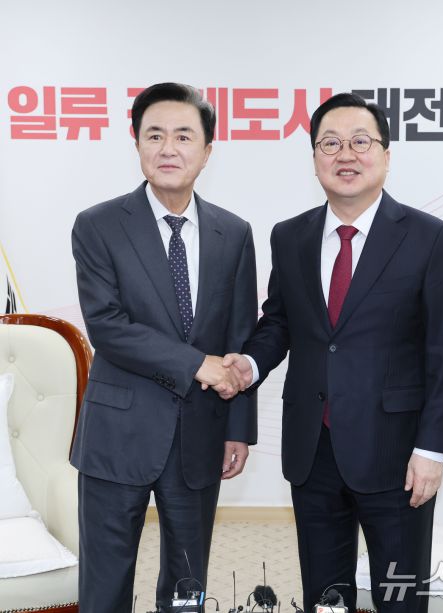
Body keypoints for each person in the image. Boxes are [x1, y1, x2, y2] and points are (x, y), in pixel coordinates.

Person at [224, 93, 443, 613]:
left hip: (398, 453)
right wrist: (249, 364)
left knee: (400, 593)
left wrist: (432, 449)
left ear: (386, 154)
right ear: (315, 157)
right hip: (313, 449)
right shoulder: (290, 236)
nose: (346, 155)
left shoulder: (430, 239)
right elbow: (280, 321)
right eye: (330, 144)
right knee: (326, 596)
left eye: (361, 141)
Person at [71, 82, 257, 613]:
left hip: (201, 436)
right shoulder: (98, 225)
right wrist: (197, 364)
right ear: (136, 143)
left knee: (186, 588)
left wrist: (238, 428)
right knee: (105, 587)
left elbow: (239, 336)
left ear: (207, 150)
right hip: (117, 436)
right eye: (154, 135)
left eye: (183, 136)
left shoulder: (233, 233)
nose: (168, 148)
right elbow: (107, 326)